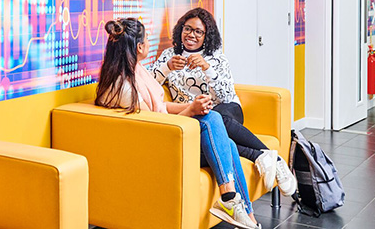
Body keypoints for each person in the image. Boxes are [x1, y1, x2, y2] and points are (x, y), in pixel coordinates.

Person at [95, 18, 262, 229]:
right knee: (215, 124)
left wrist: (193, 105)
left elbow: (161, 107)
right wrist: (190, 111)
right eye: (146, 39)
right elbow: (155, 128)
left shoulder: (135, 69)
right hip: (158, 147)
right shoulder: (122, 86)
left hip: (165, 135)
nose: (148, 42)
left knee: (221, 132)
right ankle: (233, 196)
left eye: (198, 32)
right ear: (139, 47)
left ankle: (243, 212)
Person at [150, 7, 297, 196]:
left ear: (206, 36)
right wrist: (167, 67)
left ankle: (268, 157)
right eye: (187, 29)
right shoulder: (169, 55)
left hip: (227, 111)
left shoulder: (216, 57)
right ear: (180, 30)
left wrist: (208, 69)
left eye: (198, 32)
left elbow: (227, 95)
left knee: (216, 118)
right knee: (215, 131)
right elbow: (149, 86)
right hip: (194, 116)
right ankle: (266, 156)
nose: (191, 35)